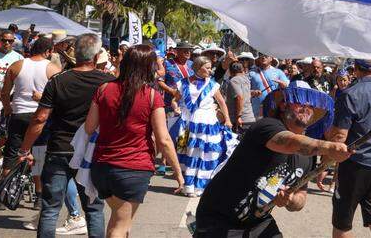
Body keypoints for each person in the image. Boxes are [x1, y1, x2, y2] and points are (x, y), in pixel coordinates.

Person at [195, 83, 351, 237]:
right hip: (219, 217)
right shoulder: (266, 126)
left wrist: (291, 200)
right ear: (283, 106)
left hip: (258, 222)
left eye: (311, 105)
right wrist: (329, 147)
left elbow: (301, 198)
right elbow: (290, 143)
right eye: (299, 101)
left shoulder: (307, 156)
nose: (306, 107)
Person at [18, 33, 111, 238]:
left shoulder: (59, 80)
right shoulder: (109, 83)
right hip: (91, 152)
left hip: (60, 148)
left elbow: (40, 118)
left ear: (75, 54)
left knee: (51, 209)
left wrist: (25, 148)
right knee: (94, 209)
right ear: (96, 56)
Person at [85, 44, 184, 238]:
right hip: (132, 168)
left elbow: (89, 128)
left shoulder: (104, 88)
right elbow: (163, 139)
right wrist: (178, 172)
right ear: (148, 67)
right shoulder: (152, 96)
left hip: (102, 167)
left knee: (119, 221)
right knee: (120, 226)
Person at [329, 59, 371, 238]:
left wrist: (327, 159)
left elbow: (340, 137)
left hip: (356, 163)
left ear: (356, 69)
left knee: (342, 220)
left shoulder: (350, 93)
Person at [170, 55, 235, 196]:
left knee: (205, 154)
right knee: (185, 152)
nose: (210, 70)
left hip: (206, 124)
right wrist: (175, 107)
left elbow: (222, 103)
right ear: (198, 68)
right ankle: (187, 185)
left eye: (210, 67)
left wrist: (228, 120)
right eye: (207, 68)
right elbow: (175, 100)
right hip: (186, 124)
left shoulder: (212, 84)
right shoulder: (183, 83)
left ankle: (200, 187)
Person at [1, 34, 59, 179]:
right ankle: (38, 196)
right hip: (41, 116)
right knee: (38, 155)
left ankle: (2, 190)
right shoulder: (54, 69)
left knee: (12, 154)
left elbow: (5, 92)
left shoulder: (16, 65)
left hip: (18, 113)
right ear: (48, 51)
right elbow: (59, 97)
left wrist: (8, 108)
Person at [249, 53, 290, 118]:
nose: (263, 57)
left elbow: (287, 86)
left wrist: (282, 84)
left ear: (271, 58)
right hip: (257, 109)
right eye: (261, 55)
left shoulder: (278, 72)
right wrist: (253, 92)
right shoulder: (251, 73)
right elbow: (245, 90)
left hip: (274, 108)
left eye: (266, 56)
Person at [225, 61, 258, 135]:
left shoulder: (234, 80)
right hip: (249, 118)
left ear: (230, 70)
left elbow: (239, 97)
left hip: (240, 121)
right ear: (242, 69)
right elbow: (244, 94)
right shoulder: (246, 80)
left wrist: (238, 117)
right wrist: (253, 92)